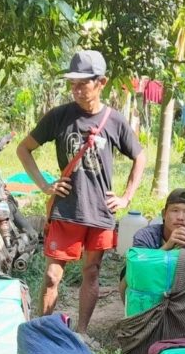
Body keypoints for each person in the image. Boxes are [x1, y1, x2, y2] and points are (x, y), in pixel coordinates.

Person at [17, 49, 146, 335]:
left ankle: (83, 334)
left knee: (92, 271)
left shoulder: (114, 121)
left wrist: (126, 196)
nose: (76, 89)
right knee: (52, 275)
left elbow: (140, 156)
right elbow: (23, 149)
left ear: (101, 83)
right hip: (66, 209)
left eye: (83, 83)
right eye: (72, 82)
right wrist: (44, 185)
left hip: (100, 212)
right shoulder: (59, 116)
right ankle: (44, 331)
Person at [118, 187, 185, 300]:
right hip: (151, 290)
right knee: (128, 271)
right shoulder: (146, 235)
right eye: (175, 210)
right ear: (164, 214)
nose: (180, 217)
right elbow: (139, 266)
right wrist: (167, 246)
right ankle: (137, 314)